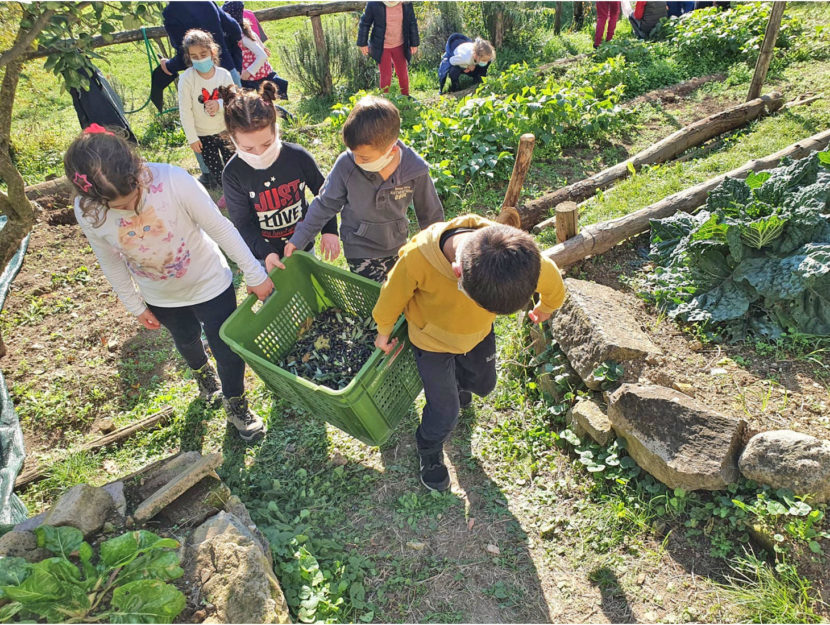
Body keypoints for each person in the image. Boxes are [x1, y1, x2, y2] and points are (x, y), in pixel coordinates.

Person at [63, 125, 273, 442]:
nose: (127, 209)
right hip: (161, 296)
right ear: (92, 198)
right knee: (187, 339)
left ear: (137, 170)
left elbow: (221, 228)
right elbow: (110, 259)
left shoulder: (174, 181)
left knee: (227, 347)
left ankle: (235, 402)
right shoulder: (88, 211)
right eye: (117, 207)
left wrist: (254, 274)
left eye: (132, 198)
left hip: (210, 283)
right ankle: (204, 375)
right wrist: (134, 305)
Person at [371, 215, 566, 491]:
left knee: (484, 384)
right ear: (457, 272)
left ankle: (460, 385)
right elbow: (392, 293)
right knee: (445, 410)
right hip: (432, 342)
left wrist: (547, 305)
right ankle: (429, 446)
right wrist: (384, 329)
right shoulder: (418, 257)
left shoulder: (517, 256)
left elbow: (551, 278)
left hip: (477, 335)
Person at [283, 96, 443, 283]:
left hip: (397, 244)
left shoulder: (414, 169)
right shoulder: (346, 164)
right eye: (354, 154)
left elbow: (430, 214)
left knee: (399, 295)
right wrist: (300, 238)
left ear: (390, 150)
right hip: (359, 246)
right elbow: (325, 204)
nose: (357, 161)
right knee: (374, 298)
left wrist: (437, 250)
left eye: (364, 158)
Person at [221, 82, 339, 273]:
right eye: (248, 148)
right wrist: (266, 253)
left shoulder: (297, 156)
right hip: (264, 255)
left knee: (310, 287)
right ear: (233, 139)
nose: (259, 153)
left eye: (267, 143)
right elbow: (242, 222)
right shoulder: (233, 173)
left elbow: (324, 194)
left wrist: (330, 230)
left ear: (276, 129)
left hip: (303, 245)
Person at [177, 29, 236, 202]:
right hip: (203, 134)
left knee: (231, 162)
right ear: (189, 57)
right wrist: (192, 137)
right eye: (194, 56)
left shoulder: (223, 75)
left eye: (203, 54)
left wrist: (218, 104)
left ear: (213, 51)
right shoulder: (187, 79)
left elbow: (233, 101)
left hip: (225, 129)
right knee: (215, 167)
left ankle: (237, 191)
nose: (200, 59)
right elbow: (185, 109)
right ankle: (226, 192)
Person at [221, 1, 289, 98]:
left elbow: (262, 56)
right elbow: (256, 37)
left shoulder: (243, 37)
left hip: (254, 75)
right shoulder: (242, 31)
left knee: (259, 102)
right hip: (250, 75)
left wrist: (248, 72)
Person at [357, 1, 420, 97]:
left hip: (400, 44)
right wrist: (362, 43)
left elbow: (412, 22)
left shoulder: (406, 4)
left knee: (402, 73)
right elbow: (365, 23)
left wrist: (414, 42)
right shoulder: (374, 4)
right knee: (386, 76)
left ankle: (406, 98)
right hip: (383, 46)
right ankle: (385, 102)